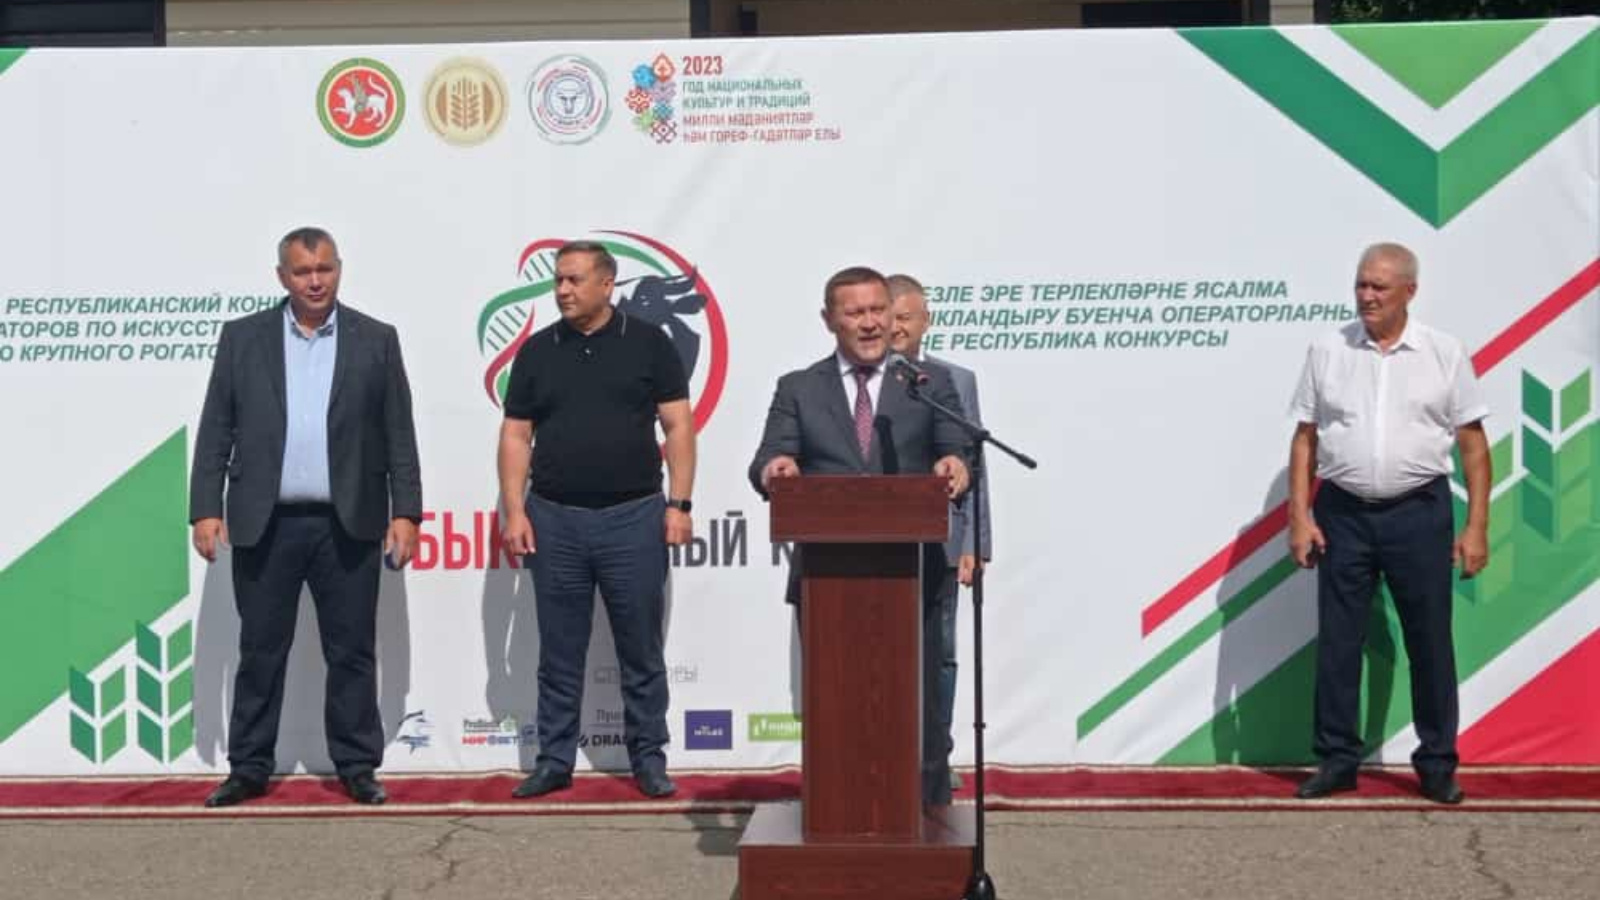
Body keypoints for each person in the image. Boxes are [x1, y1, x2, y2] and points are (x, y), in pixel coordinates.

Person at [189, 226, 423, 807]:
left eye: (325, 269)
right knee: (260, 651)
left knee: (352, 652)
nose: (316, 281)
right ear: (282, 277)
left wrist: (407, 512)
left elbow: (398, 433)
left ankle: (357, 766)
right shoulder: (243, 338)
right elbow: (216, 427)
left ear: (339, 269)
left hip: (349, 523)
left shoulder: (376, 339)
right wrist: (205, 508)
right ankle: (248, 767)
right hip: (265, 523)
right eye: (302, 271)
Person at [748, 265, 970, 806]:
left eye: (878, 310)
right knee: (837, 697)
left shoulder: (928, 384)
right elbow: (768, 457)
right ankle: (834, 806)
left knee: (918, 700)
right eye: (855, 313)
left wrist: (955, 465)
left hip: (915, 573)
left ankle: (926, 806)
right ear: (830, 320)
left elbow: (958, 449)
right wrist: (776, 470)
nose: (870, 323)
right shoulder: (800, 388)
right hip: (829, 578)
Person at [1287, 242, 1490, 805]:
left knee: (1430, 642)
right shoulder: (1327, 349)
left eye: (1379, 286)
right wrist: (1300, 515)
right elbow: (1305, 438)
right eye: (1361, 284)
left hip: (1418, 513)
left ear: (1409, 291)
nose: (1367, 295)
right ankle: (1336, 760)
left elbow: (1473, 446)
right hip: (1343, 514)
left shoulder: (1444, 352)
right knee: (1339, 642)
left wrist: (1476, 525)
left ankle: (1437, 763)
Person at [497, 241, 696, 800]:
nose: (562, 290)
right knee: (559, 651)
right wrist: (515, 509)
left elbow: (678, 427)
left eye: (575, 280)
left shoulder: (650, 344)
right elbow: (516, 435)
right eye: (558, 280)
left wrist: (679, 505)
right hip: (554, 518)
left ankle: (649, 760)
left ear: (607, 284)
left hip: (634, 518)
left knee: (640, 650)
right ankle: (553, 760)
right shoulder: (537, 350)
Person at [887, 273, 992, 791]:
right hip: (879, 542)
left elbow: (974, 466)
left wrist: (975, 543)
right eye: (890, 317)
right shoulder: (860, 382)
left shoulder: (955, 380)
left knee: (941, 654)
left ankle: (935, 757)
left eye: (907, 318)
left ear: (926, 321)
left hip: (943, 541)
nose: (896, 328)